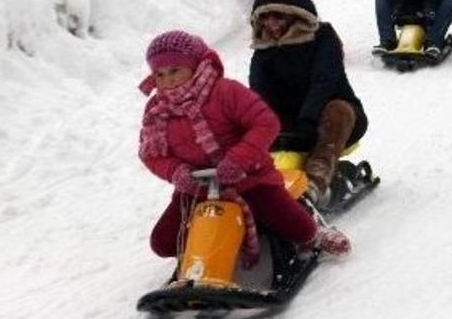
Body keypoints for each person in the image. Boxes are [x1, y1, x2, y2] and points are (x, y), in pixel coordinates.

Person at [139, 30, 350, 262]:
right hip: (197, 187)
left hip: (250, 179)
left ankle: (314, 227)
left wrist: (237, 160)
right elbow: (151, 154)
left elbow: (265, 123)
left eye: (174, 70)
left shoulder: (225, 91)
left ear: (196, 66)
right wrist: (175, 171)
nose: (167, 80)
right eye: (159, 74)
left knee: (301, 231)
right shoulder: (157, 110)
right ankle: (226, 234)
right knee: (163, 243)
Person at [249, 0, 368, 206]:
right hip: (287, 128)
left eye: (278, 16)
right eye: (265, 17)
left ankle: (314, 184)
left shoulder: (322, 37)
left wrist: (307, 121)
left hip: (330, 117)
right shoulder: (262, 50)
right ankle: (257, 191)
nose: (271, 23)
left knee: (337, 109)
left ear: (294, 14)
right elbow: (258, 93)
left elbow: (323, 81)